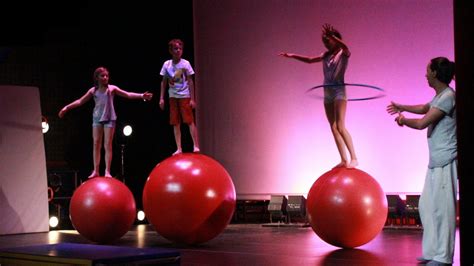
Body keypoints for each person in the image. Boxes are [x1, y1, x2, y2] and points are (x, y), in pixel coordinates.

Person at [387, 57, 457, 266]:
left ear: (435, 73)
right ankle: (432, 252)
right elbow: (423, 108)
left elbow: (421, 123)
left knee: (444, 211)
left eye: (427, 71)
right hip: (435, 162)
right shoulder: (440, 96)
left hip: (446, 160)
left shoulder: (448, 97)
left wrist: (402, 119)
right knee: (427, 207)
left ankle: (443, 257)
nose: (425, 74)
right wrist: (402, 107)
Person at [279, 23, 358, 168]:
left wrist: (333, 36)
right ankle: (343, 159)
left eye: (328, 40)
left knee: (340, 126)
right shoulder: (325, 55)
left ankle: (354, 158)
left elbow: (346, 47)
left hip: (339, 91)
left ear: (335, 39)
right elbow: (309, 60)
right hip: (327, 92)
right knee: (333, 127)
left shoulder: (343, 53)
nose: (326, 44)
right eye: (324, 41)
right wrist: (292, 55)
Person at [58, 66, 153, 178]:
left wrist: (142, 96)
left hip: (109, 118)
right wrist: (67, 108)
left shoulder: (112, 89)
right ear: (97, 78)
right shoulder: (93, 91)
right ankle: (96, 170)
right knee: (96, 144)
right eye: (102, 76)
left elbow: (127, 94)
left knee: (107, 144)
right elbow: (80, 101)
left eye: (107, 76)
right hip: (97, 118)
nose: (105, 77)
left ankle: (107, 171)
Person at [159, 38, 200, 155]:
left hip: (184, 95)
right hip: (172, 96)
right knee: (175, 122)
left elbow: (190, 81)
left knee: (189, 120)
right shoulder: (167, 64)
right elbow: (163, 81)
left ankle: (195, 145)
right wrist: (161, 98)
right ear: (171, 50)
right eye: (176, 49)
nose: (178, 51)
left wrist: (192, 98)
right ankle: (179, 148)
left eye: (180, 49)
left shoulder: (185, 63)